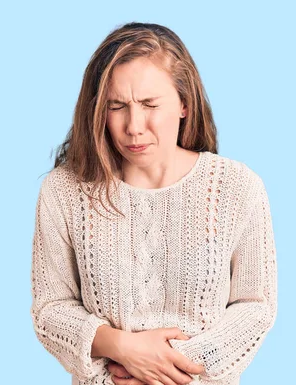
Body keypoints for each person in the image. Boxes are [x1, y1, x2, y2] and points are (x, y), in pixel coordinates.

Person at [30, 22, 278, 385]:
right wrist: (121, 348)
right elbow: (50, 310)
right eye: (117, 106)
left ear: (183, 104)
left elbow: (255, 306)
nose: (134, 126)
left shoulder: (238, 188)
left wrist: (169, 367)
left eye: (149, 104)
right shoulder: (64, 191)